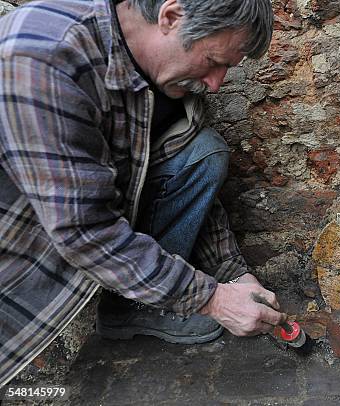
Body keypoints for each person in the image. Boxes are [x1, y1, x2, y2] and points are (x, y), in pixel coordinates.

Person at [0, 0, 285, 386]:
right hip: (22, 239)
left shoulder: (164, 67)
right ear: (170, 16)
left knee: (203, 151)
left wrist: (234, 275)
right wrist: (211, 298)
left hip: (90, 208)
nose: (216, 83)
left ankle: (129, 307)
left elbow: (187, 176)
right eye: (214, 61)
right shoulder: (45, 55)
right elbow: (83, 231)